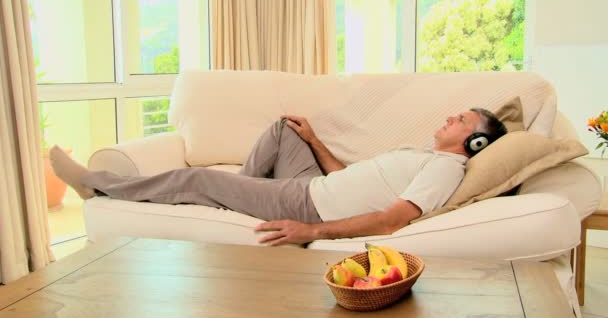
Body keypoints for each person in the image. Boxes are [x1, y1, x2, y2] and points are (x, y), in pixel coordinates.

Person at [50, 108, 507, 247]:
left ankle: (96, 182)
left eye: (462, 119)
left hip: (307, 205)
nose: (451, 116)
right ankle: (242, 196)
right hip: (313, 185)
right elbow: (350, 177)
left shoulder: (447, 167)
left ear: (477, 144)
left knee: (200, 180)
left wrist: (311, 230)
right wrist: (314, 140)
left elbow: (393, 219)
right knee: (284, 129)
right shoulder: (424, 154)